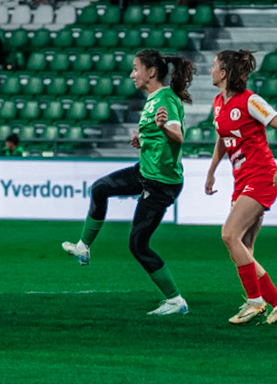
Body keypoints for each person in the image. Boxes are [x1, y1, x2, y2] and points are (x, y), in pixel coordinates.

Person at [61, 49, 195, 316]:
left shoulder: (165, 99)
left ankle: (175, 300)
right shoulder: (153, 99)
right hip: (146, 172)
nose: (132, 74)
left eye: (136, 68)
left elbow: (178, 137)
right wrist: (142, 140)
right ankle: (83, 247)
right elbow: (158, 139)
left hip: (161, 183)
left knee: (138, 244)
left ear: (151, 72)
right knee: (100, 188)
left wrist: (163, 128)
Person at [203, 49, 277, 326]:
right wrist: (211, 170)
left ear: (224, 73)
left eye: (214, 66)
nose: (210, 70)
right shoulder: (218, 103)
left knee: (229, 234)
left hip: (262, 177)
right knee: (242, 249)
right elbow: (224, 138)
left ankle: (255, 302)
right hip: (241, 180)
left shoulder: (251, 101)